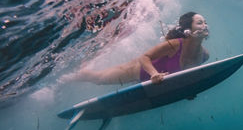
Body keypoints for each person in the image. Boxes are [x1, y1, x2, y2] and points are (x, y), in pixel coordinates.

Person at [68, 12, 210, 84]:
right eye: (199, 23)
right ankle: (74, 75)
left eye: (205, 22)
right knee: (97, 78)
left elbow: (184, 74)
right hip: (133, 71)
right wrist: (154, 74)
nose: (205, 26)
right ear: (187, 29)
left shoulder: (204, 55)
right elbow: (144, 57)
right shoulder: (174, 45)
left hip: (151, 82)